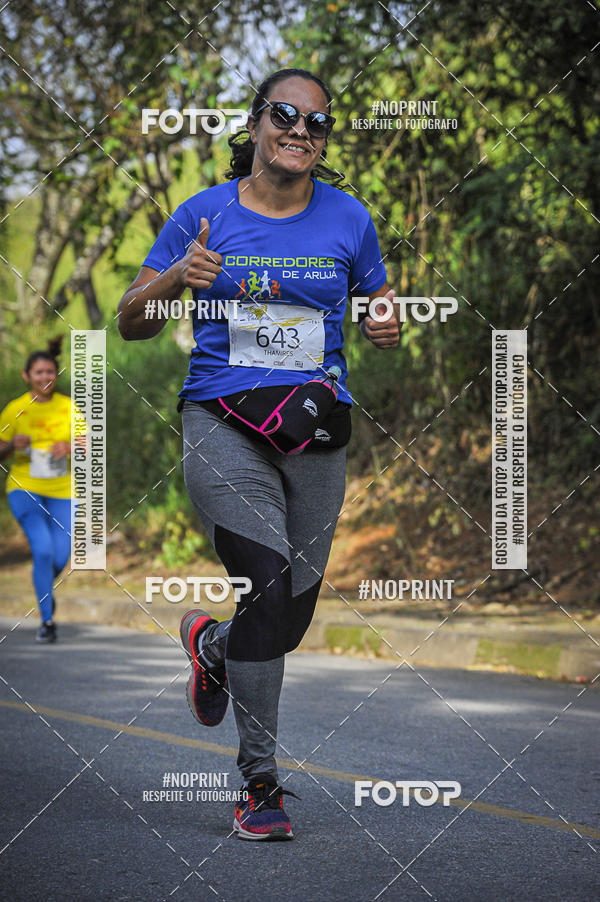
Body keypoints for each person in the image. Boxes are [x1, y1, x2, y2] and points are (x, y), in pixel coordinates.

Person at [118, 67, 400, 840]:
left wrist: (383, 322)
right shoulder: (202, 214)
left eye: (317, 122)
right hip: (222, 421)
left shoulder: (350, 219)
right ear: (254, 124)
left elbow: (376, 295)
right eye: (286, 115)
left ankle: (212, 644)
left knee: (287, 620)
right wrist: (177, 277)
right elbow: (130, 320)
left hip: (315, 431)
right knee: (267, 589)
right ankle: (260, 783)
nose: (301, 131)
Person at [0, 337, 77, 643]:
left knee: (61, 557)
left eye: (50, 372)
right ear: (27, 376)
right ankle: (47, 621)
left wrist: (71, 446)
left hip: (64, 491)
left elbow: (91, 445)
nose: (45, 377)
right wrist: (9, 446)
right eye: (38, 373)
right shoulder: (15, 410)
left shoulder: (69, 408)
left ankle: (45, 591)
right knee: (42, 549)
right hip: (24, 489)